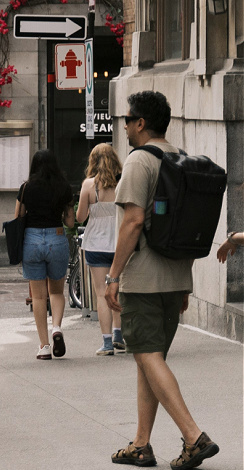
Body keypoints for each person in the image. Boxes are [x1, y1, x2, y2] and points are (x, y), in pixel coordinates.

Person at [105, 92, 219, 469]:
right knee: (149, 359)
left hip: (143, 279)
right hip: (176, 277)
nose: (124, 126)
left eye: (127, 119)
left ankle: (193, 436)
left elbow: (133, 221)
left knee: (147, 354)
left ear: (141, 123)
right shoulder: (179, 158)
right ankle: (141, 444)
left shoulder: (140, 160)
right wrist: (185, 283)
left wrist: (112, 276)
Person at [17, 150, 75, 360]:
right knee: (57, 292)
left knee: (39, 296)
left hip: (32, 240)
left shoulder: (26, 188)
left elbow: (18, 216)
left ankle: (44, 346)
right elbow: (70, 221)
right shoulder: (64, 187)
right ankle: (57, 328)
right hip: (56, 238)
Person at [77, 142, 124, 355]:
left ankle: (106, 343)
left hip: (96, 244)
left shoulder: (89, 185)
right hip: (120, 244)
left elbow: (80, 217)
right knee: (117, 290)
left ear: (93, 161)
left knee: (101, 293)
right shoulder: (122, 182)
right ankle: (118, 335)